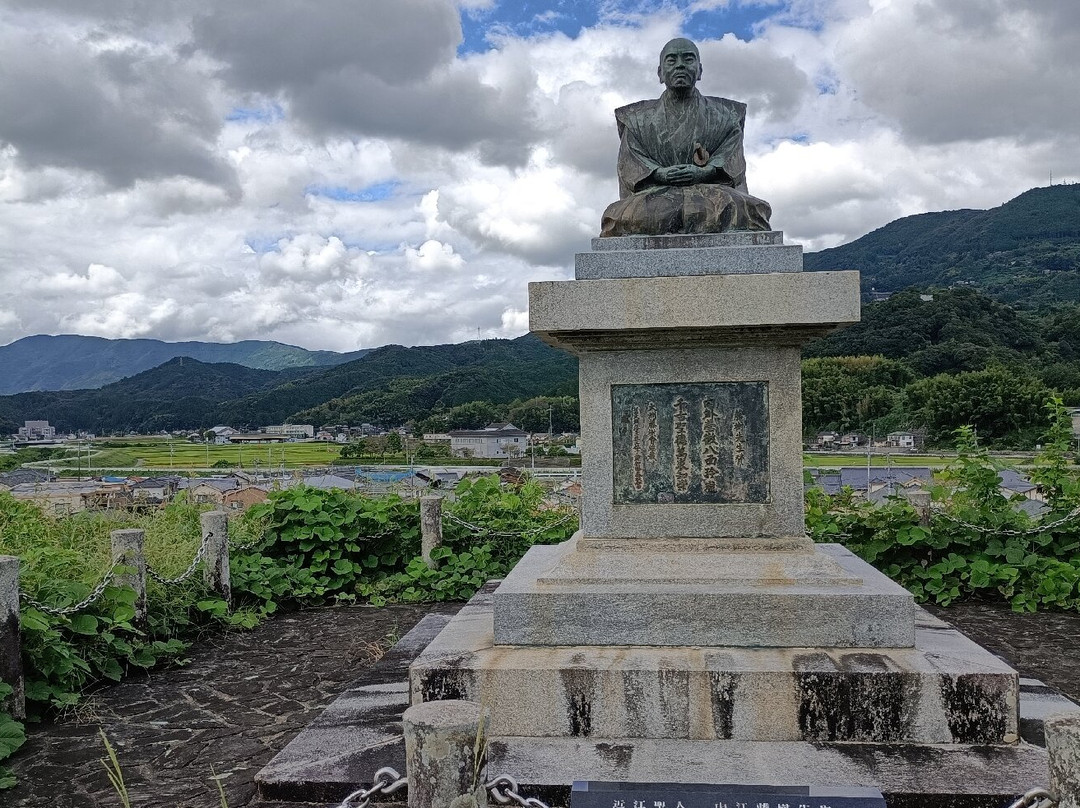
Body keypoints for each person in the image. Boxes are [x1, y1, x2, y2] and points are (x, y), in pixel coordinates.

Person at [599, 38, 773, 237]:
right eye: (671, 60)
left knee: (747, 210)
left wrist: (706, 171)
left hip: (712, 195)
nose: (680, 65)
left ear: (699, 71)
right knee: (619, 216)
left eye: (688, 59)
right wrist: (658, 174)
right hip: (656, 195)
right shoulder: (636, 118)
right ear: (660, 73)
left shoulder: (726, 114)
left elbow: (732, 158)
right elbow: (630, 162)